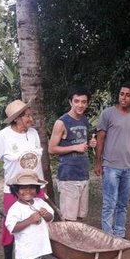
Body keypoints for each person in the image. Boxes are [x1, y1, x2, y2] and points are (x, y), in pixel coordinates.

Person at [0, 99, 45, 259]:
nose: (31, 118)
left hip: (36, 187)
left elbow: (37, 160)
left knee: (37, 220)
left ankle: (34, 254)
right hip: (14, 190)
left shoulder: (33, 134)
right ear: (16, 119)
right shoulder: (3, 136)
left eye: (30, 114)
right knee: (11, 223)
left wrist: (42, 187)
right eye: (27, 115)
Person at [94, 82, 130, 237]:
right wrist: (98, 162)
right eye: (122, 94)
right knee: (109, 203)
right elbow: (100, 139)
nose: (123, 97)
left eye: (128, 95)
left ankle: (119, 234)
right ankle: (107, 236)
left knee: (122, 204)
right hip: (110, 166)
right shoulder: (107, 114)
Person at [5, 170, 54, 259]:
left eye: (32, 187)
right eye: (23, 188)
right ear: (16, 190)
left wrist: (46, 215)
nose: (27, 191)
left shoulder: (40, 202)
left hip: (38, 249)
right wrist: (29, 220)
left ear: (37, 189)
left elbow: (51, 217)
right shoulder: (15, 209)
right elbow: (12, 228)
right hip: (26, 252)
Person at [48, 86, 97, 221]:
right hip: (68, 176)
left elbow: (82, 143)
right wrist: (75, 147)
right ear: (70, 102)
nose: (80, 105)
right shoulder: (61, 122)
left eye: (83, 102)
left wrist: (90, 143)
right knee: (69, 219)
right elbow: (51, 149)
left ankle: (77, 243)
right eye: (76, 101)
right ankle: (66, 243)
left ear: (87, 103)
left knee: (81, 216)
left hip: (83, 174)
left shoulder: (84, 120)